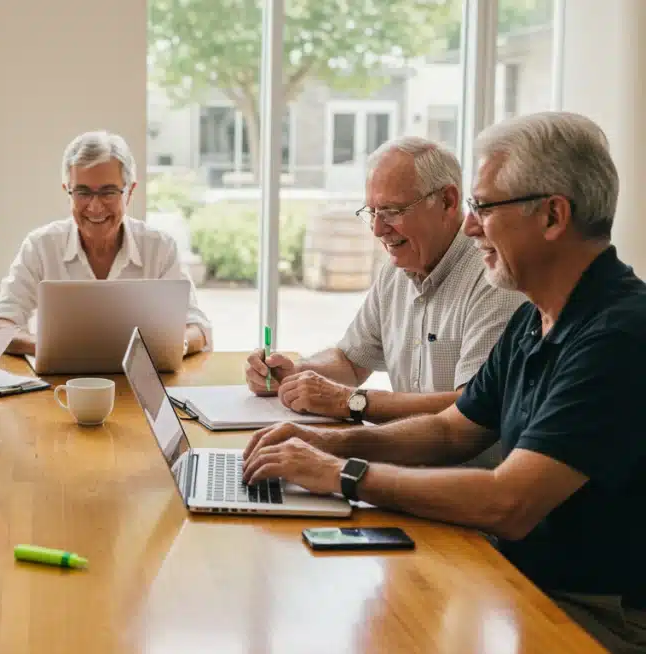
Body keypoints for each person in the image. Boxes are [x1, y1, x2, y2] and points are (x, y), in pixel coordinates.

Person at [241, 111, 646, 653]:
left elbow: (510, 502)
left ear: (553, 215)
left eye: (485, 207)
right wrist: (326, 440)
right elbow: (453, 431)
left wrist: (341, 472)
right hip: (516, 572)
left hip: (590, 612)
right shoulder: (538, 315)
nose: (472, 226)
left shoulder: (619, 335)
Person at [245, 136, 522, 434]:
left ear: (448, 202)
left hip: (463, 474)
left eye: (392, 212)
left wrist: (352, 402)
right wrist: (296, 375)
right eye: (372, 213)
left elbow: (472, 408)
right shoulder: (397, 268)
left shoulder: (493, 276)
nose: (378, 229)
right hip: (409, 461)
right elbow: (350, 362)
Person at [0, 130, 212, 356]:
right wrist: (52, 349)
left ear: (129, 192)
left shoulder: (160, 247)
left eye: (108, 192)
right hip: (63, 385)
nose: (94, 207)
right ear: (68, 192)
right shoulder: (41, 246)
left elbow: (197, 328)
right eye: (82, 193)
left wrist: (170, 346)